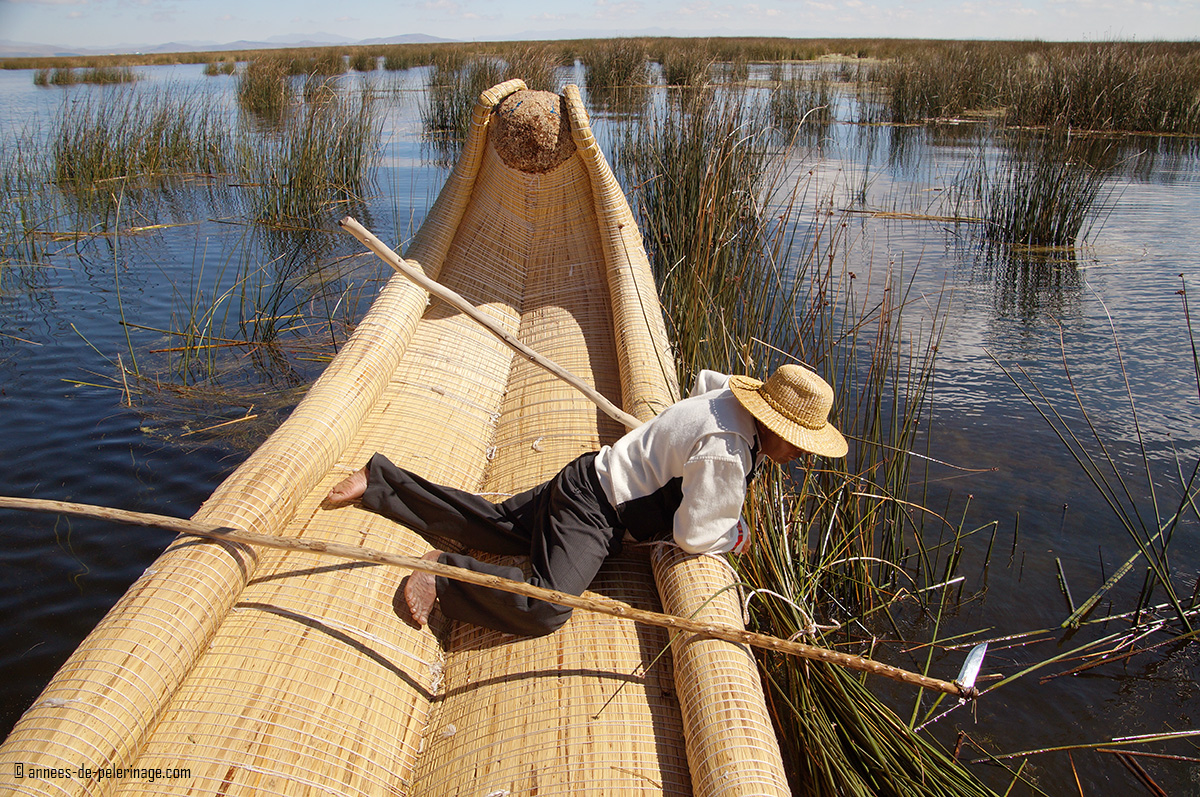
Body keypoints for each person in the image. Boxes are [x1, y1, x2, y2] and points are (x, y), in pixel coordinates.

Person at [325, 364, 847, 636]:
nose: (801, 453)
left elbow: (702, 387)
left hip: (586, 472)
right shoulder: (729, 450)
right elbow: (694, 535)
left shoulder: (728, 400)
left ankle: (379, 482)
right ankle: (446, 575)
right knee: (545, 605)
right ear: (771, 423)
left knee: (495, 523)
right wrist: (735, 535)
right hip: (594, 509)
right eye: (798, 441)